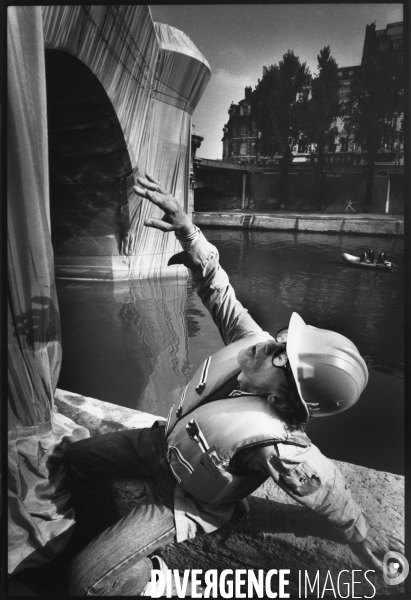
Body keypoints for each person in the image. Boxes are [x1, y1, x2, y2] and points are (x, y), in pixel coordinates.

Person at [63, 174, 403, 596]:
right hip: (159, 445)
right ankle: (89, 529)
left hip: (184, 498)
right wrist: (189, 232)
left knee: (84, 581)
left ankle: (164, 584)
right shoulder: (255, 344)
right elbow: (219, 290)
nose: (269, 346)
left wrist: (362, 531)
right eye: (282, 340)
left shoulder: (273, 444)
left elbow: (324, 485)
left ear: (281, 397)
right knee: (73, 458)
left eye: (283, 356)